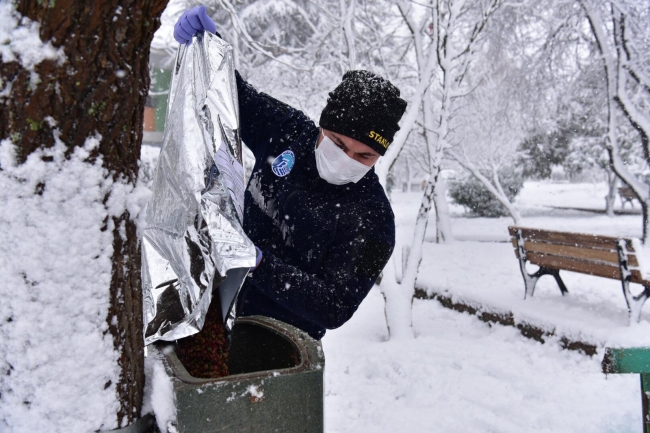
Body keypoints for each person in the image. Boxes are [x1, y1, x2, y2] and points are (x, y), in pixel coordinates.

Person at [174, 6, 407, 340]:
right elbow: (233, 95)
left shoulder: (373, 220)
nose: (347, 159)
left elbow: (334, 306)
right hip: (214, 300)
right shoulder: (288, 133)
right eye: (338, 143)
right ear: (322, 126)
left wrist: (258, 264)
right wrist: (207, 45)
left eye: (364, 155)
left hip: (281, 342)